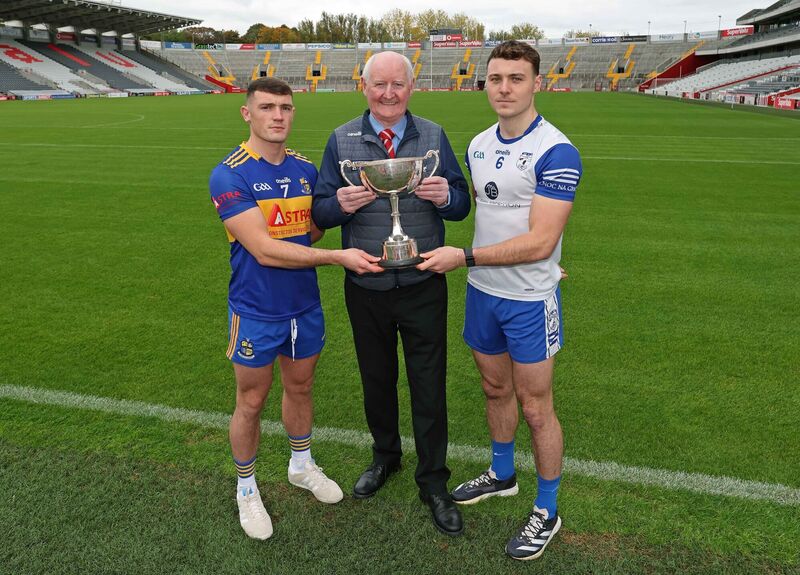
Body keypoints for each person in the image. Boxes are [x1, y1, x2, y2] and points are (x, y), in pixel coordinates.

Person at [417, 40, 583, 560]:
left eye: (516, 78)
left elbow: (539, 242)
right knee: (494, 389)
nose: (505, 88)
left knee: (536, 407)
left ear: (537, 83)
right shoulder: (478, 144)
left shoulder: (558, 150)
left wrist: (463, 257)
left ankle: (548, 509)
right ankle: (502, 472)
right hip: (484, 294)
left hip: (530, 298)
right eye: (496, 78)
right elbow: (482, 212)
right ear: (484, 83)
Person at [208, 77, 384, 541]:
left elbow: (312, 230)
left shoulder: (306, 170)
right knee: (251, 400)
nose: (278, 116)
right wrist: (337, 258)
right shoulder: (230, 174)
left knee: (301, 387)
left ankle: (301, 465)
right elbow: (265, 250)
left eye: (285, 107)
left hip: (303, 306)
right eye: (267, 107)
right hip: (255, 308)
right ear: (247, 113)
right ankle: (246, 488)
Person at [311, 51, 471, 536]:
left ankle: (434, 480)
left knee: (428, 384)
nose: (388, 93)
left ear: (411, 87)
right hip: (366, 284)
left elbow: (462, 203)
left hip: (423, 281)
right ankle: (385, 458)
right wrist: (337, 204)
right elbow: (319, 209)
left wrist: (446, 197)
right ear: (364, 86)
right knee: (376, 380)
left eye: (397, 84)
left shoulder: (434, 134)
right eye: (379, 84)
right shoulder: (341, 139)